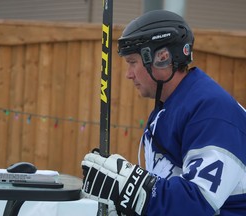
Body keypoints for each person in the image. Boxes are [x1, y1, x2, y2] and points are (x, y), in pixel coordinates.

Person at [81, 10, 246, 216]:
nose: (128, 74)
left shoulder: (212, 112)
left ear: (162, 58)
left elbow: (198, 203)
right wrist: (129, 205)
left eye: (132, 62)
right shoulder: (170, 106)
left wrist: (133, 190)